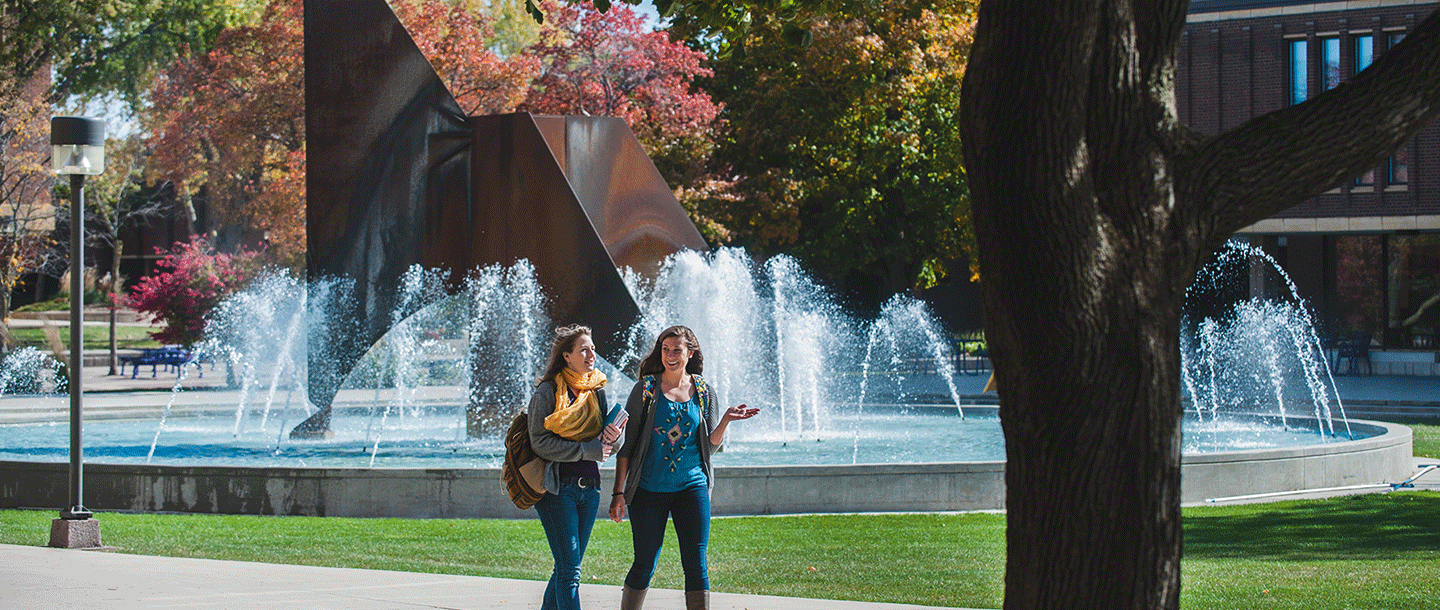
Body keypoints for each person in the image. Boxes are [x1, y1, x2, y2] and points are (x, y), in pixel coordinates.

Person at [608, 326, 760, 610]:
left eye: (677, 350)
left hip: (692, 488)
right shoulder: (645, 390)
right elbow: (627, 448)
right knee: (644, 563)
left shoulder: (703, 391)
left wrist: (725, 420)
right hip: (648, 490)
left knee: (696, 565)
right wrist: (618, 493)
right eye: (665, 349)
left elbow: (710, 447)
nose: (670, 356)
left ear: (690, 353)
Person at [529, 324, 626, 610]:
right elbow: (539, 442)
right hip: (559, 490)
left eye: (593, 348)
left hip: (590, 491)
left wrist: (615, 437)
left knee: (565, 569)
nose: (591, 354)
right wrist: (587, 450)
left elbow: (607, 447)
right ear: (567, 356)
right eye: (584, 349)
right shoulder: (547, 392)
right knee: (570, 571)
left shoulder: (596, 390)